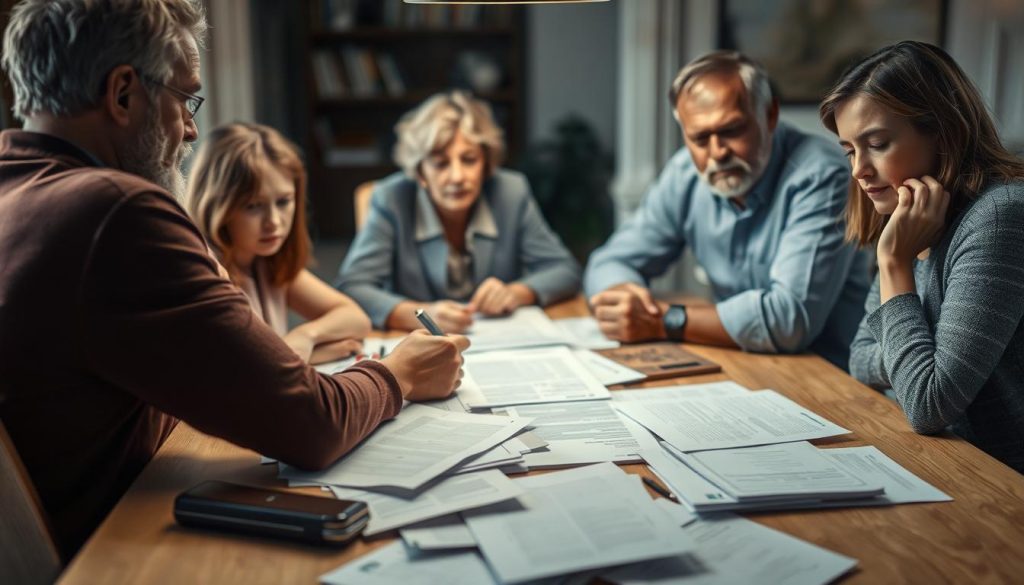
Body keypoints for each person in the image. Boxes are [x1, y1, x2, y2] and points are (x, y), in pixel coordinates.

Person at [0, 0, 467, 560]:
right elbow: (311, 425)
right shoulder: (116, 211)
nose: (193, 128)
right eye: (184, 98)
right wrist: (399, 375)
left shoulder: (19, 189)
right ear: (123, 93)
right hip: (118, 548)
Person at [584, 51, 869, 369]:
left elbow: (790, 320)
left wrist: (663, 320)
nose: (717, 153)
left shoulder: (822, 174)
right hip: (736, 359)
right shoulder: (685, 174)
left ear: (770, 114)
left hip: (828, 376)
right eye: (700, 138)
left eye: (732, 130)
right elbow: (610, 261)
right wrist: (624, 301)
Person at [821, 41, 1024, 473]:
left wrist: (894, 264)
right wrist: (924, 355)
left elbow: (929, 404)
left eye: (876, 143)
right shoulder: (909, 217)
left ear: (942, 131)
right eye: (850, 150)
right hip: (953, 462)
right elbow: (859, 357)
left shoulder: (1000, 217)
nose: (858, 169)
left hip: (1003, 479)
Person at [336, 90, 581, 333]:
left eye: (469, 159)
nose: (457, 177)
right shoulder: (391, 198)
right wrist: (417, 314)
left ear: (486, 163)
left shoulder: (511, 192)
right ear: (420, 172)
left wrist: (515, 293)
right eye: (441, 164)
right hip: (416, 348)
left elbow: (565, 269)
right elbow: (352, 286)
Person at [186, 122, 370, 364]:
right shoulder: (207, 271)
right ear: (216, 206)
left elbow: (356, 318)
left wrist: (305, 336)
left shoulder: (266, 261)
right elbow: (244, 366)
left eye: (283, 202)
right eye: (253, 206)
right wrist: (308, 355)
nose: (273, 222)